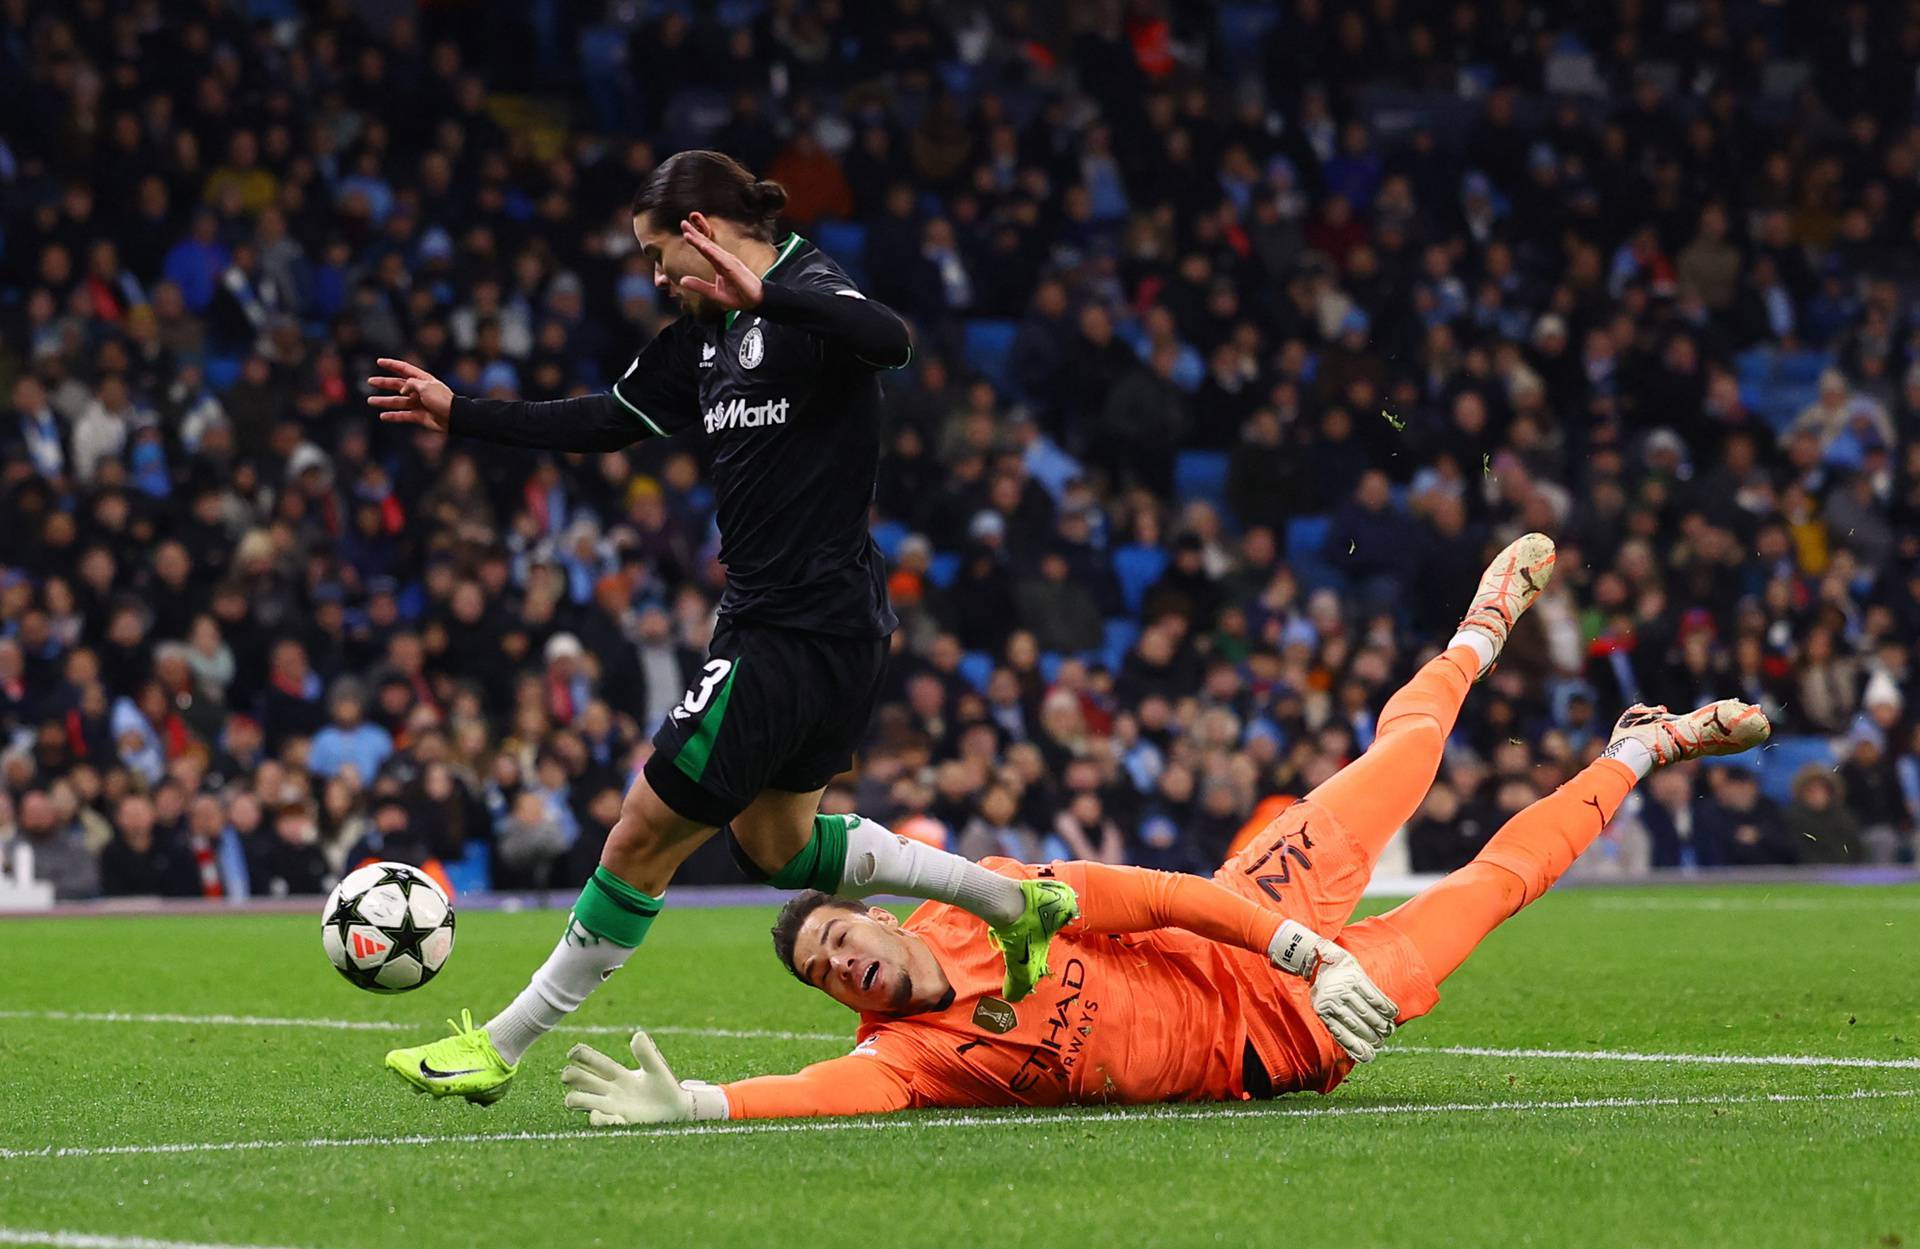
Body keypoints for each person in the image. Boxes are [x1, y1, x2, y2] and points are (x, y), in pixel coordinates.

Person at [553, 535, 1771, 1124]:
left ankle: (1475, 634)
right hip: (1288, 1041)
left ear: (875, 915)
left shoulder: (978, 898)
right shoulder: (907, 1055)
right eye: (830, 976)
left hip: (1254, 924)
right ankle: (1643, 746)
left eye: (836, 939)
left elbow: (1159, 895)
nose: (845, 966)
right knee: (1495, 884)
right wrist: (703, 1105)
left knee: (1401, 758)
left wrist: (1302, 944)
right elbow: (824, 1090)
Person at [371, 151, 1076, 1104]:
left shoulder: (808, 291)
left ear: (706, 226)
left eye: (660, 253)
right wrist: (466, 415)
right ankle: (1012, 902)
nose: (656, 275)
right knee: (781, 845)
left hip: (793, 622)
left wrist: (771, 297)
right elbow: (606, 419)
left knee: (642, 831)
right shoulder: (699, 336)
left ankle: (501, 1042)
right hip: (817, 623)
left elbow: (893, 339)